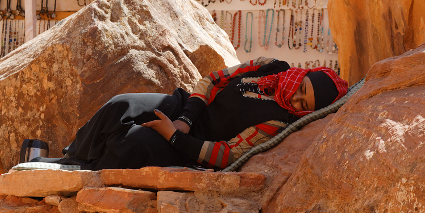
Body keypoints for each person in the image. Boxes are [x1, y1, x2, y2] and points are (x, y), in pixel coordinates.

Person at [43, 57, 348, 171]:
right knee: (120, 106)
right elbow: (214, 79)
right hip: (188, 106)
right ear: (305, 74)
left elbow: (228, 154)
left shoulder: (278, 122)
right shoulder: (273, 67)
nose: (295, 98)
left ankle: (85, 172)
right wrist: (185, 119)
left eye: (303, 103)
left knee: (133, 144)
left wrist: (175, 136)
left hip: (192, 146)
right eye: (302, 88)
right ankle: (70, 160)